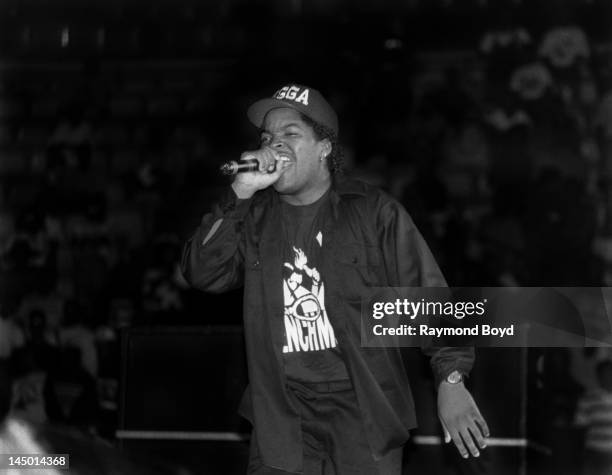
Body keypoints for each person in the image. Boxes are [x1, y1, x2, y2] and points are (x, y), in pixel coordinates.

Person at [182, 83, 489, 474]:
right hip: (282, 415)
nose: (274, 145)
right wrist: (239, 193)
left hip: (362, 412)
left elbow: (430, 296)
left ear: (324, 147)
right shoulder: (253, 218)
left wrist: (452, 378)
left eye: (290, 134)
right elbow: (202, 272)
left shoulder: (373, 212)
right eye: (267, 137)